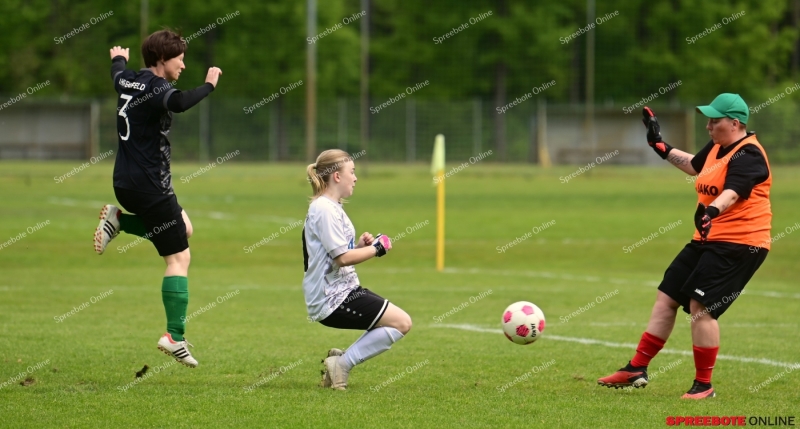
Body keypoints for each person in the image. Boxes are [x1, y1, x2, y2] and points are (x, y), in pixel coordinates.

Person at [597, 94, 771, 399]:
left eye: (714, 121)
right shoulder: (719, 146)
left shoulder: (749, 155)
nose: (708, 126)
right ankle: (636, 368)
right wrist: (660, 145)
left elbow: (733, 192)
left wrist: (711, 212)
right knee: (667, 297)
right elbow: (694, 165)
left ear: (734, 123)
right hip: (708, 237)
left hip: (741, 243)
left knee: (700, 308)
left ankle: (704, 385)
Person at [93, 29, 222, 367]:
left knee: (185, 228)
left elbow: (117, 72)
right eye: (179, 58)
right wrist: (208, 85)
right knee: (179, 258)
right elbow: (178, 103)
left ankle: (120, 220)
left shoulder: (130, 80)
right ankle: (174, 336)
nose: (183, 64)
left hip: (125, 182)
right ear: (162, 59)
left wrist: (118, 58)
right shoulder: (156, 87)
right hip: (151, 186)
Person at [302, 149, 412, 390]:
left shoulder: (332, 206)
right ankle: (342, 363)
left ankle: (340, 361)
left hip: (342, 290)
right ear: (337, 177)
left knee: (398, 322)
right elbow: (341, 258)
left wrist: (362, 246)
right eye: (352, 172)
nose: (356, 177)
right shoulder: (324, 209)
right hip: (332, 297)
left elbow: (339, 253)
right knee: (401, 323)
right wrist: (376, 249)